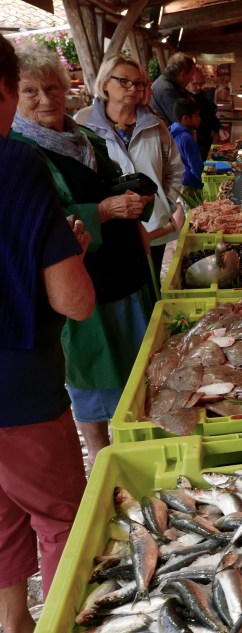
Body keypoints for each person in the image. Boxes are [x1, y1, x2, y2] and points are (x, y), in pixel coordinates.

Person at [10, 43, 155, 470]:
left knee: (140, 368)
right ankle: (103, 458)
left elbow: (110, 186)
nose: (45, 99)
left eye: (53, 88)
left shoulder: (85, 136)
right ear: (13, 96)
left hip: (127, 273)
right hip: (84, 282)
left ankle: (141, 444)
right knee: (94, 378)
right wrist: (106, 211)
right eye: (31, 91)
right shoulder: (21, 154)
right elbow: (39, 223)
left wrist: (135, 202)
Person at [0, 36, 94, 633]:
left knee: (3, 518)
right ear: (5, 91)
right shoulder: (17, 164)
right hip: (21, 389)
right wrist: (72, 253)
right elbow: (74, 302)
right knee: (63, 519)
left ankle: (14, 624)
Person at [76, 55, 186, 284]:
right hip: (107, 229)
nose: (133, 88)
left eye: (139, 83)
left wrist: (162, 203)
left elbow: (174, 170)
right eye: (124, 81)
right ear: (105, 82)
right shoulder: (82, 123)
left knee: (151, 284)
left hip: (152, 227)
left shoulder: (155, 124)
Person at [186, 67, 228, 162]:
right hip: (191, 143)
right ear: (187, 81)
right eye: (195, 84)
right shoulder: (181, 98)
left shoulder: (202, 95)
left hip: (205, 141)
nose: (199, 87)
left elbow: (210, 115)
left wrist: (219, 129)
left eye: (201, 84)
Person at [170, 98, 203, 205]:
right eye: (197, 116)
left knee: (182, 210)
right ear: (185, 118)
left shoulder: (173, 130)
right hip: (191, 183)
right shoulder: (186, 138)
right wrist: (201, 181)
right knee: (193, 215)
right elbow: (196, 165)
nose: (200, 119)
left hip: (180, 181)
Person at [149, 52, 196, 126]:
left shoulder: (166, 82)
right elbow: (181, 123)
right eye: (192, 74)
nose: (192, 79)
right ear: (182, 75)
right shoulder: (167, 90)